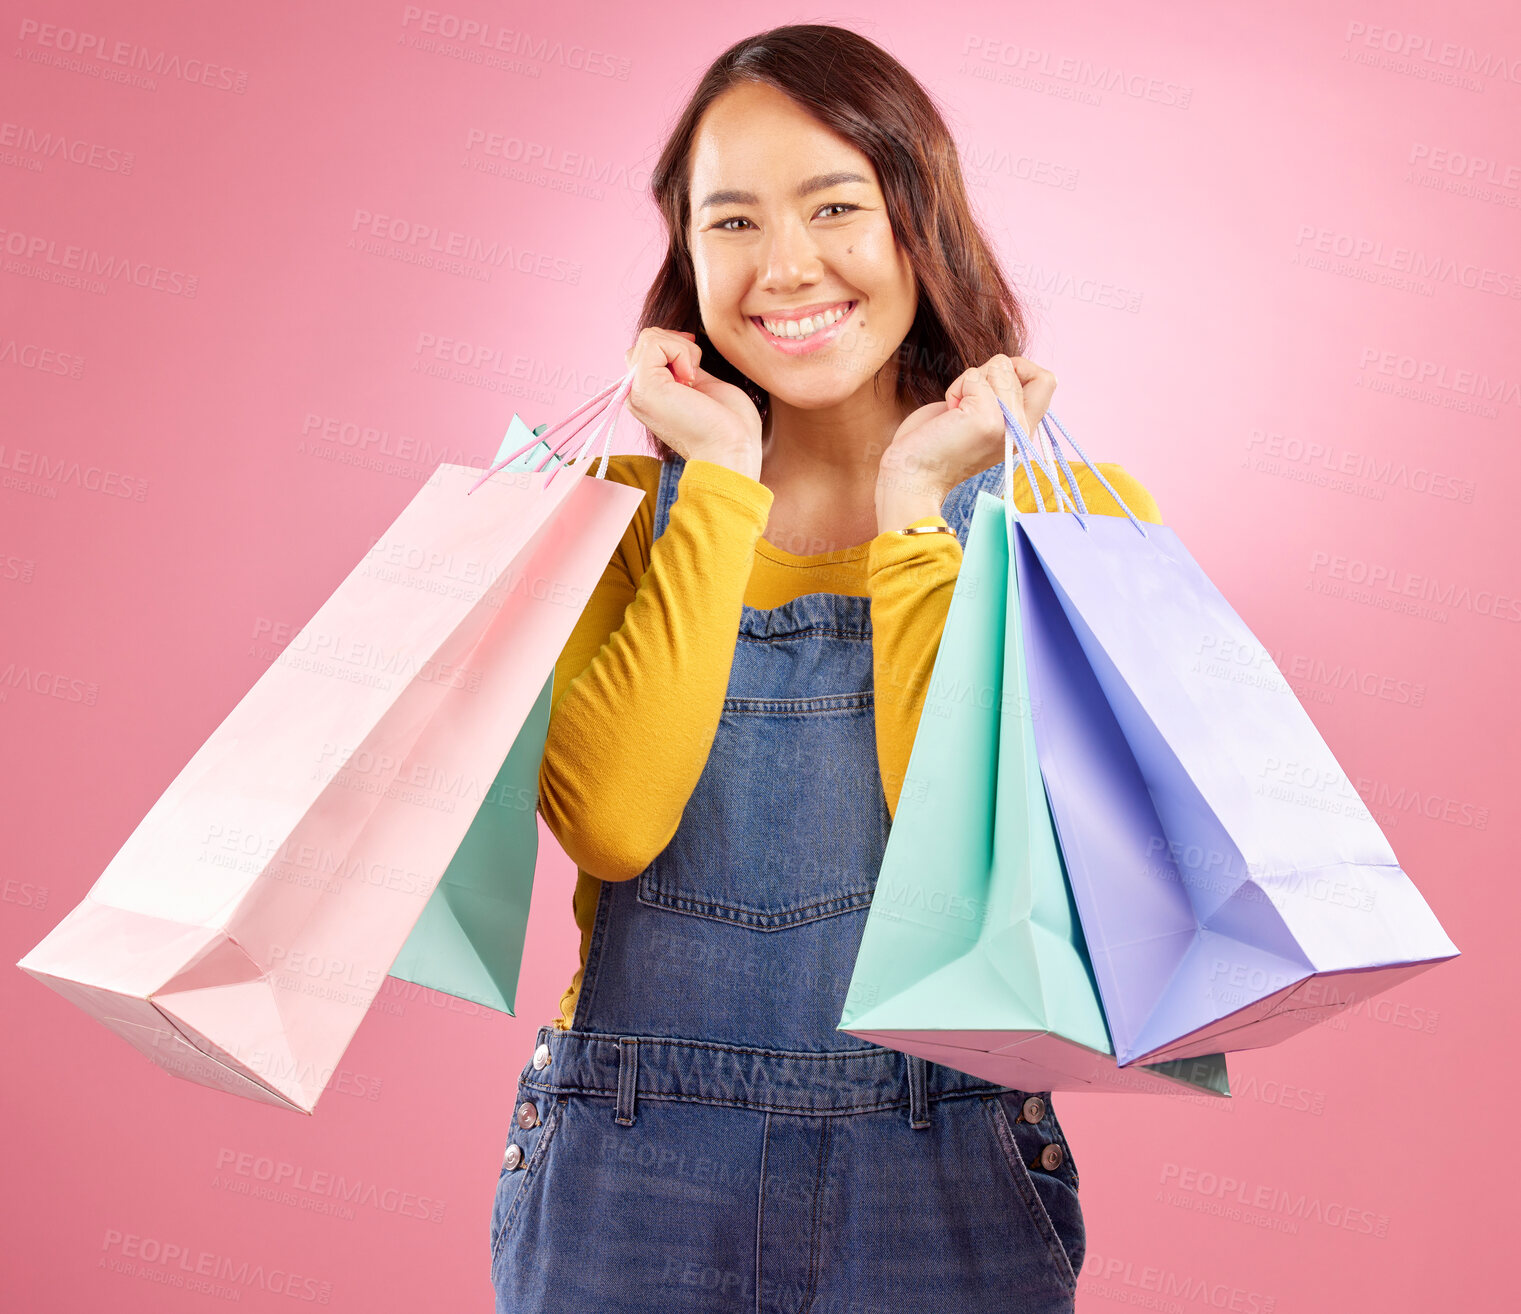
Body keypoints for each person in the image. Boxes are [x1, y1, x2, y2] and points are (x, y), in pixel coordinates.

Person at [489, 23, 1163, 1314]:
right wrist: (721, 490)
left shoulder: (1068, 520)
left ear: (920, 222)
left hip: (941, 1160)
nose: (784, 265)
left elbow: (968, 864)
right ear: (683, 257)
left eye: (835, 205)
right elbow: (616, 825)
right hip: (624, 1165)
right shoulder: (613, 512)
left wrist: (917, 516)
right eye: (729, 221)